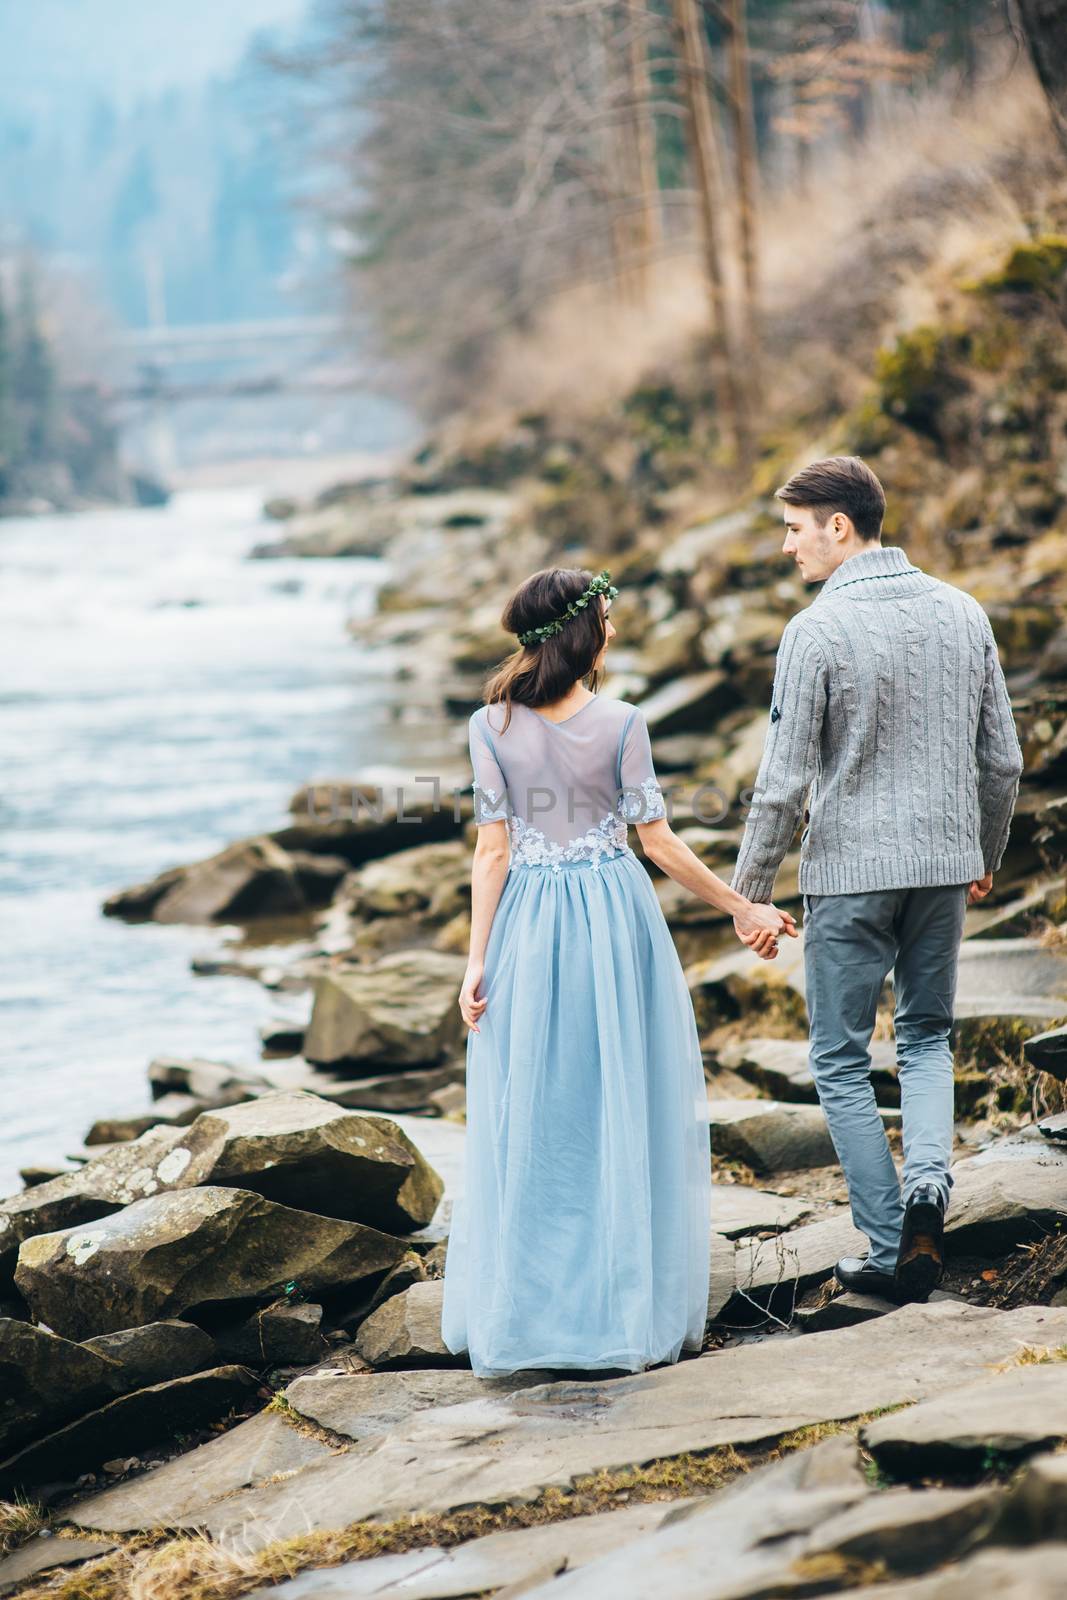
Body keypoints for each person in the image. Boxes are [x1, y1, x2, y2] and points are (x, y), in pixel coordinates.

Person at [440, 566, 795, 1378]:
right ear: (582, 631)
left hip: (528, 923)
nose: (615, 628)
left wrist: (475, 961)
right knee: (621, 1101)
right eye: (607, 616)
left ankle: (532, 1313)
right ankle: (622, 1305)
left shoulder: (487, 723)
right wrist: (742, 909)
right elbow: (658, 843)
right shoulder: (624, 721)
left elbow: (491, 852)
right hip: (610, 918)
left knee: (536, 1110)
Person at [729, 455, 1024, 1304]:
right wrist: (984, 852)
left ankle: (891, 1241)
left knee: (838, 1058)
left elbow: (781, 786)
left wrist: (750, 894)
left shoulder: (814, 631)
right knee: (928, 1037)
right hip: (940, 868)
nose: (786, 548)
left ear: (839, 527)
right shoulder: (962, 612)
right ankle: (929, 1191)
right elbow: (1000, 760)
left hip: (851, 874)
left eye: (793, 529)